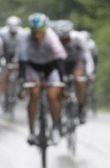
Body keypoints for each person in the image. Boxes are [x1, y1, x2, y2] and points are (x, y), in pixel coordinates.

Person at [18, 13, 67, 145]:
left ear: (45, 30)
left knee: (52, 95)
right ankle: (32, 131)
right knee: (33, 93)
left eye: (40, 32)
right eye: (34, 32)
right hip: (33, 66)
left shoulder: (51, 36)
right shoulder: (24, 37)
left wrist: (63, 83)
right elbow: (22, 62)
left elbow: (59, 60)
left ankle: (56, 125)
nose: (37, 35)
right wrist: (22, 83)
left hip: (51, 66)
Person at [52, 19, 95, 124]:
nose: (63, 41)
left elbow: (87, 56)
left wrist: (90, 73)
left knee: (79, 79)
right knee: (56, 86)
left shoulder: (79, 38)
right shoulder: (52, 39)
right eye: (60, 38)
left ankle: (81, 108)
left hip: (75, 62)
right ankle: (57, 114)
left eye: (65, 38)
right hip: (60, 63)